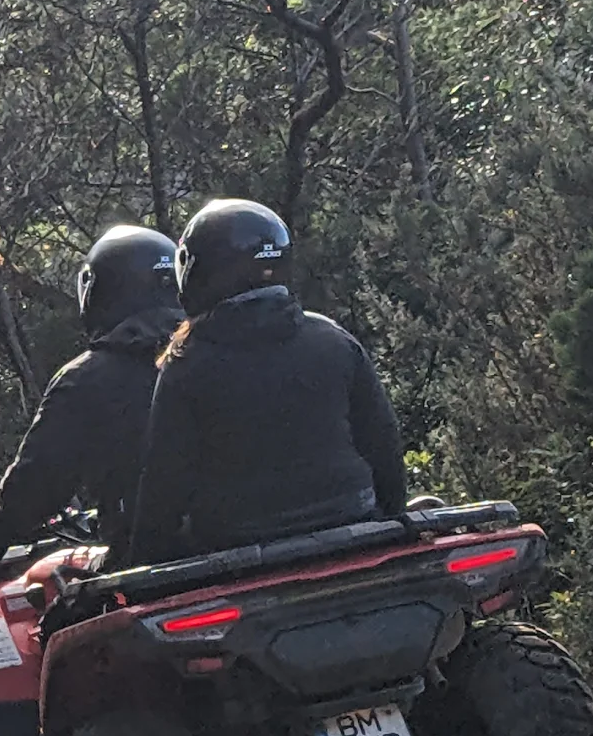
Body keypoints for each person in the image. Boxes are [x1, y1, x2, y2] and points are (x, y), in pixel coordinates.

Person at [127, 199, 405, 565]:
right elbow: (383, 444)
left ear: (197, 271)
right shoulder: (333, 340)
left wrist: (142, 566)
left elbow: (165, 486)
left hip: (236, 550)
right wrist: (391, 525)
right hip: (352, 526)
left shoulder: (186, 366)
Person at [0, 224, 183, 565]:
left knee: (47, 609)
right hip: (259, 549)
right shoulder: (217, 350)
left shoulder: (86, 380)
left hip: (150, 564)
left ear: (100, 292)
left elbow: (36, 487)